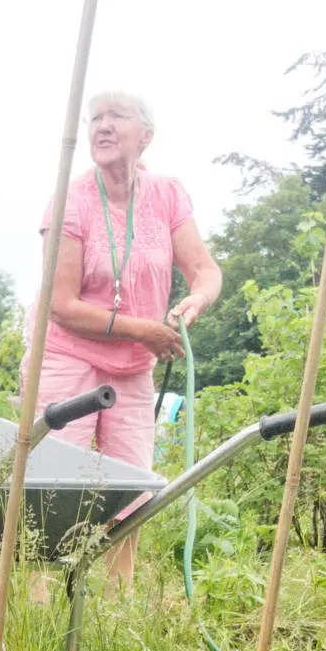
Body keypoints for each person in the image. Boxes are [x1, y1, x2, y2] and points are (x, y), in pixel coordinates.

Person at [32, 90, 220, 584]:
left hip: (133, 366)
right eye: (96, 118)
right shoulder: (71, 201)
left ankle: (119, 603)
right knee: (53, 483)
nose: (103, 125)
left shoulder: (167, 195)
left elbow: (205, 269)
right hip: (68, 356)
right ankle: (38, 602)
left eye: (117, 116)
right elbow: (61, 305)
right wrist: (144, 330)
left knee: (131, 488)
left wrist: (197, 300)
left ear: (146, 136)